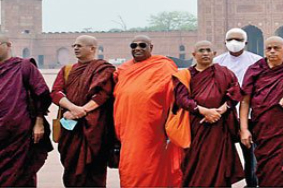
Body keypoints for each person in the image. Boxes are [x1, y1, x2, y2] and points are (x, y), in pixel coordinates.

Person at [239, 36, 283, 187]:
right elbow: (245, 101)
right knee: (266, 170)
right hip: (262, 129)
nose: (272, 52)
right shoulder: (255, 70)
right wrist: (244, 129)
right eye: (268, 48)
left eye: (276, 48)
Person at [113, 35, 182, 187]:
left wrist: (171, 125)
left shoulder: (163, 66)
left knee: (151, 167)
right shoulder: (124, 69)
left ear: (151, 48)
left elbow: (174, 96)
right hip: (127, 129)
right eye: (134, 45)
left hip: (152, 129)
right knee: (129, 167)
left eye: (142, 45)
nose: (137, 48)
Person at [174, 40, 244, 187]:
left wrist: (221, 110)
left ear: (214, 54)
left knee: (219, 164)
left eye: (208, 50)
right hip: (196, 127)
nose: (205, 53)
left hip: (219, 128)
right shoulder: (185, 75)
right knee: (195, 162)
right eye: (201, 51)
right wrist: (203, 111)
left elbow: (235, 93)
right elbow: (181, 98)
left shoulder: (224, 73)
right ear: (194, 54)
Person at [51, 35, 115, 187]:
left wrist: (83, 111)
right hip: (70, 128)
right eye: (74, 46)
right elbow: (55, 92)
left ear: (92, 48)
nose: (75, 48)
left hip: (95, 128)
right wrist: (74, 109)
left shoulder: (104, 69)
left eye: (80, 45)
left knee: (95, 170)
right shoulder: (67, 70)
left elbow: (103, 94)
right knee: (71, 168)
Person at [0, 34, 52, 187]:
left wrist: (39, 122)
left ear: (8, 45)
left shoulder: (24, 66)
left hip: (19, 134)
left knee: (21, 175)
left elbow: (41, 95)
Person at [214, 28, 262, 187]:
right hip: (224, 114)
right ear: (225, 42)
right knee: (222, 152)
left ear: (246, 42)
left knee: (250, 153)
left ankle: (252, 184)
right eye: (231, 39)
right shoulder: (217, 62)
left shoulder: (257, 61)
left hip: (249, 115)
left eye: (238, 39)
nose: (234, 43)